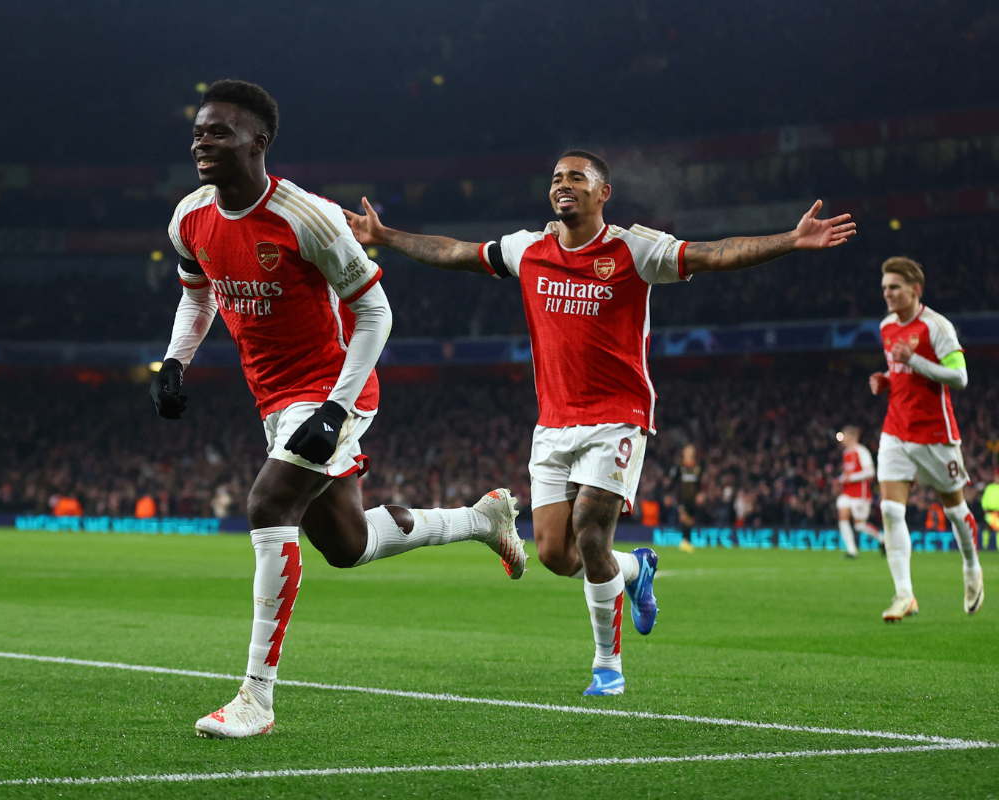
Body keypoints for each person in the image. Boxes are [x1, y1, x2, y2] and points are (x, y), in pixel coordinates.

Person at [345, 150, 854, 696]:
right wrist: (385, 236)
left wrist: (790, 239)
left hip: (618, 417)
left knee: (591, 531)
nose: (563, 185)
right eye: (557, 178)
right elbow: (455, 252)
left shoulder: (634, 249)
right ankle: (637, 570)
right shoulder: (528, 249)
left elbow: (713, 254)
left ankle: (607, 667)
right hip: (553, 424)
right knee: (556, 556)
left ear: (602, 192)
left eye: (576, 178)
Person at [151, 80, 525, 739]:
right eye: (198, 132)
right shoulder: (189, 218)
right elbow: (197, 293)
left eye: (219, 132)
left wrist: (335, 408)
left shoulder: (308, 217)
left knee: (268, 505)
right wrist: (176, 359)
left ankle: (255, 701)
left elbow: (375, 311)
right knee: (346, 546)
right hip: (274, 400)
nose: (201, 143)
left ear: (258, 142)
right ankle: (480, 518)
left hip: (333, 391)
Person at [869, 257, 983, 620]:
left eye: (895, 287)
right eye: (885, 286)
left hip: (935, 434)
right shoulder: (887, 326)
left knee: (954, 509)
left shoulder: (937, 327)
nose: (887, 293)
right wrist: (887, 379)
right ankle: (904, 595)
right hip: (896, 430)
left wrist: (915, 360)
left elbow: (960, 378)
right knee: (889, 509)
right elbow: (900, 368)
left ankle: (971, 567)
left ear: (915, 289)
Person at [834, 426, 883, 557]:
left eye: (844, 436)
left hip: (861, 494)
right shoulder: (846, 453)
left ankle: (881, 538)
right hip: (847, 492)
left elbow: (870, 472)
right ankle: (851, 550)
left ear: (851, 436)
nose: (843, 439)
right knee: (842, 517)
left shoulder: (861, 452)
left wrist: (852, 478)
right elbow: (848, 473)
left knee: (859, 526)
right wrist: (840, 480)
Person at [670, 444, 701, 553]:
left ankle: (688, 541)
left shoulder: (697, 467)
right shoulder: (679, 467)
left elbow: (699, 484)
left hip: (693, 498)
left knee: (691, 520)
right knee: (684, 517)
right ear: (684, 452)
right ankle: (684, 541)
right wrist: (671, 495)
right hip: (682, 498)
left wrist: (700, 494)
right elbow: (674, 483)